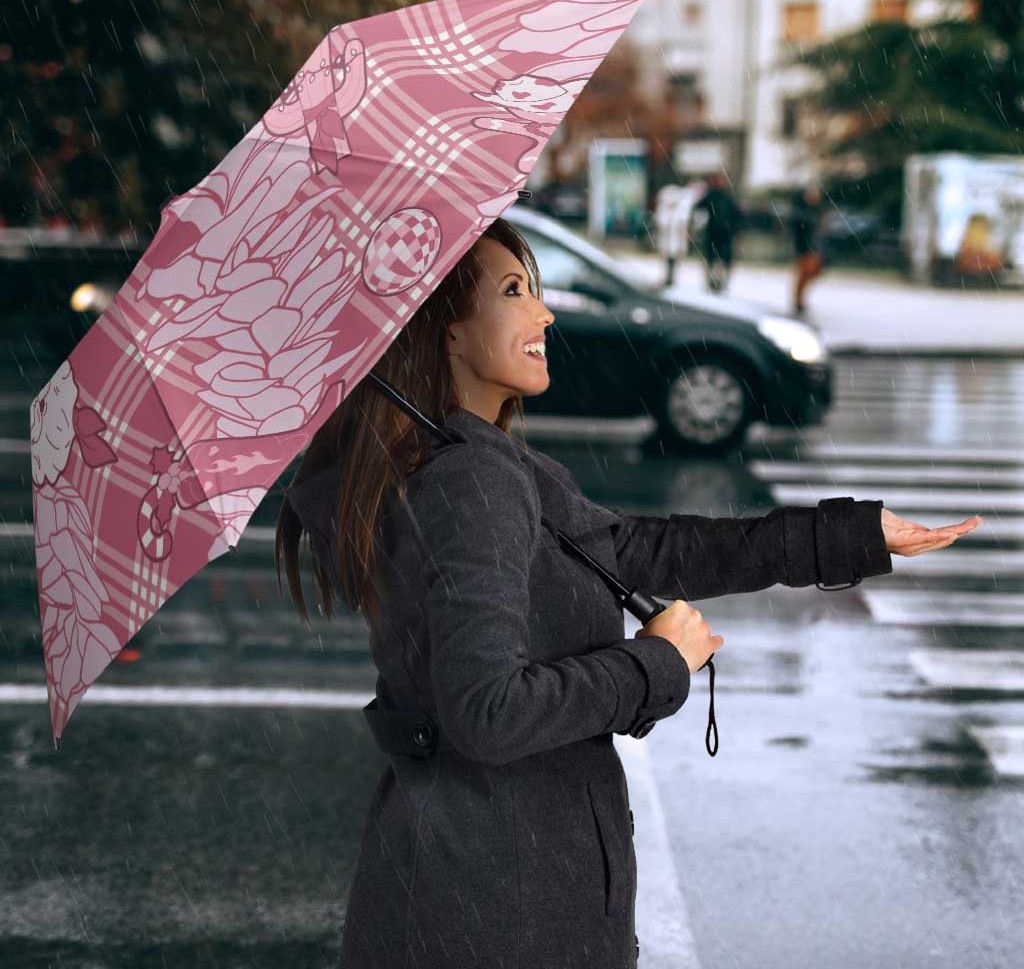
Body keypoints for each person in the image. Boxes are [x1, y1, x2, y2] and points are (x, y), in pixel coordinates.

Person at [276, 216, 978, 969]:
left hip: (479, 887)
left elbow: (640, 550)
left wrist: (850, 536)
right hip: (498, 907)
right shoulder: (469, 482)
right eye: (514, 291)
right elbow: (487, 713)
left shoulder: (477, 463)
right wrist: (655, 664)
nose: (544, 313)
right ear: (445, 331)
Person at [692, 171, 742, 294]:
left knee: (720, 260)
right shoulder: (712, 196)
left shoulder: (725, 197)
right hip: (715, 233)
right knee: (713, 259)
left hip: (723, 233)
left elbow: (736, 215)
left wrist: (735, 229)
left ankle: (719, 282)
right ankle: (713, 282)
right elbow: (698, 209)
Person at [790, 184, 826, 315]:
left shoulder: (817, 211)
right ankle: (798, 300)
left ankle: (799, 299)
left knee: (812, 273)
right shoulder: (802, 212)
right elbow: (799, 231)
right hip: (805, 248)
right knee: (804, 274)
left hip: (814, 248)